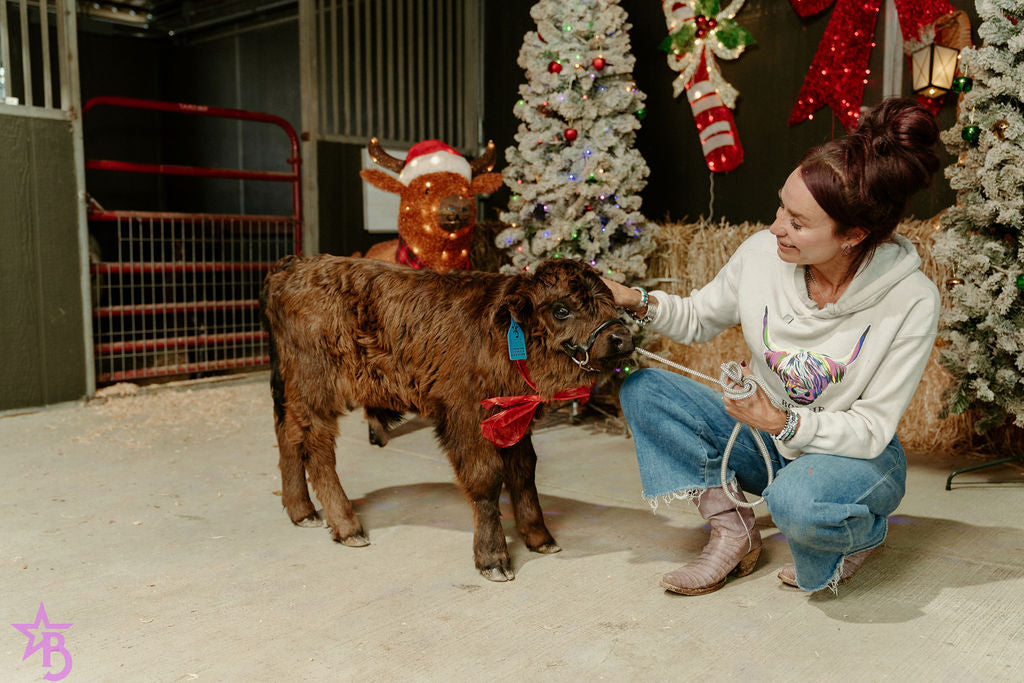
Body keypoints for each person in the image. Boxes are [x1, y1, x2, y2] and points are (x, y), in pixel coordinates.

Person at [602, 98, 942, 594]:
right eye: (782, 205)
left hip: (853, 459)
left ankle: (863, 532)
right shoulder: (762, 253)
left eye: (798, 223)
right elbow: (698, 318)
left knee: (795, 502)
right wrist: (632, 299)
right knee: (644, 390)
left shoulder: (912, 299)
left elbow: (871, 430)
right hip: (766, 441)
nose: (776, 227)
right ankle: (732, 530)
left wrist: (782, 421)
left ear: (853, 234)